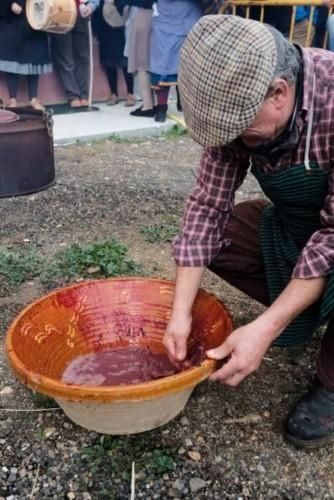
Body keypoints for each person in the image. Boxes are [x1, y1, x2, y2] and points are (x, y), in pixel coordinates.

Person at [163, 15, 334, 449]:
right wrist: (180, 312)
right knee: (216, 239)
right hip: (298, 223)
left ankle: (331, 384)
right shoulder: (236, 106)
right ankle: (312, 310)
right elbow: (206, 206)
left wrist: (267, 327)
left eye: (240, 131)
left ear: (279, 91)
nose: (233, 141)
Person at [150, 0, 202, 123]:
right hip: (181, 18)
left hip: (177, 19)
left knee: (168, 65)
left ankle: (164, 109)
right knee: (176, 65)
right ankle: (167, 107)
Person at [0, 0, 52, 109]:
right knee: (12, 59)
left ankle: (33, 98)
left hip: (34, 15)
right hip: (12, 19)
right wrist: (10, 4)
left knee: (34, 58)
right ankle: (12, 99)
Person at [50, 0, 100, 108]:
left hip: (81, 15)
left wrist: (91, 7)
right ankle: (73, 95)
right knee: (65, 58)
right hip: (60, 14)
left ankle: (83, 94)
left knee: (83, 57)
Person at [93, 0, 135, 106]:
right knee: (108, 62)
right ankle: (113, 93)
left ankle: (130, 93)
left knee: (125, 62)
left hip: (121, 29)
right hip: (105, 29)